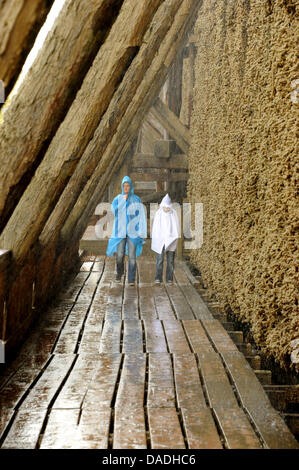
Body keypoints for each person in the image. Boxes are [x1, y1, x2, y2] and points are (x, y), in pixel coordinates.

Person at [106, 175, 147, 285]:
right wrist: (122, 202)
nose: (126, 188)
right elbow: (114, 212)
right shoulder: (117, 199)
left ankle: (131, 279)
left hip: (133, 231)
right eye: (124, 186)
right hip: (120, 231)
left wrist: (142, 231)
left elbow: (141, 215)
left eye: (128, 185)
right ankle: (119, 273)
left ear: (131, 186)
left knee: (132, 256)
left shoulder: (136, 199)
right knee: (120, 255)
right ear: (122, 187)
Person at [151, 193, 180, 284]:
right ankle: (158, 277)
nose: (166, 209)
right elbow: (156, 227)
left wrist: (173, 236)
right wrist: (158, 237)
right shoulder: (159, 214)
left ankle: (169, 278)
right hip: (161, 239)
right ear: (162, 206)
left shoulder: (173, 214)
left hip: (171, 239)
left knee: (170, 260)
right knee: (160, 259)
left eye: (168, 207)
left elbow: (176, 226)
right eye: (165, 207)